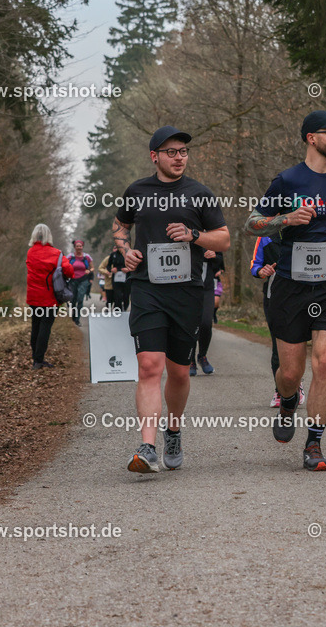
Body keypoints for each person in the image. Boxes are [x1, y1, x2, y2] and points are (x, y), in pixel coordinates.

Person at [245, 110, 326, 471]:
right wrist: (286, 219)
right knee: (290, 372)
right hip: (290, 286)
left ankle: (314, 444)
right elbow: (252, 222)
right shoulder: (286, 181)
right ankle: (287, 403)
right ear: (311, 138)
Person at [114, 125, 230, 473]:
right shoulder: (137, 190)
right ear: (155, 156)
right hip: (147, 288)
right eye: (171, 152)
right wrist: (126, 251)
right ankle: (147, 446)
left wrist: (194, 235)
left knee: (179, 372)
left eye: (183, 152)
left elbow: (223, 240)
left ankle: (174, 429)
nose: (179, 157)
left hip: (187, 291)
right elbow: (120, 226)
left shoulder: (200, 193)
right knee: (150, 365)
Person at [250, 235, 305, 408]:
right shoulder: (265, 237)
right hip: (275, 298)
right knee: (277, 346)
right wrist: (261, 271)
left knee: (298, 343)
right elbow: (254, 266)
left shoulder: (306, 230)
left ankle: (296, 382)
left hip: (302, 297)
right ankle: (280, 390)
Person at [25, 223, 72, 370]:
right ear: (48, 235)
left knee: (36, 326)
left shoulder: (30, 252)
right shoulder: (56, 253)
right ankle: (39, 360)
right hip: (49, 298)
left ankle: (36, 359)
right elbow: (70, 271)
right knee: (45, 328)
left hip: (33, 297)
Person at [190, 249, 224, 376]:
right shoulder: (184, 232)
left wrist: (214, 256)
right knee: (191, 324)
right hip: (188, 286)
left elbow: (220, 261)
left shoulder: (212, 235)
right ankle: (191, 360)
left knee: (205, 323)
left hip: (207, 287)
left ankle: (202, 356)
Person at [67, 240, 94, 326]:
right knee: (73, 299)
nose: (79, 247)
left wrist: (89, 270)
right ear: (74, 247)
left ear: (82, 247)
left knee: (80, 298)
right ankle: (74, 315)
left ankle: (77, 319)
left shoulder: (87, 257)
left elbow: (92, 268)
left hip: (83, 280)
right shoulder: (70, 256)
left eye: (80, 246)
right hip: (73, 279)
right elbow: (65, 265)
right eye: (77, 246)